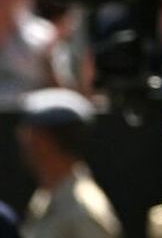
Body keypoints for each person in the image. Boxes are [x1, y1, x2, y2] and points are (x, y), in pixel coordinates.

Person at [16, 87, 121, 238]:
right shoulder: (46, 197)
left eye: (31, 133)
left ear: (44, 141)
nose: (22, 138)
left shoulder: (83, 211)